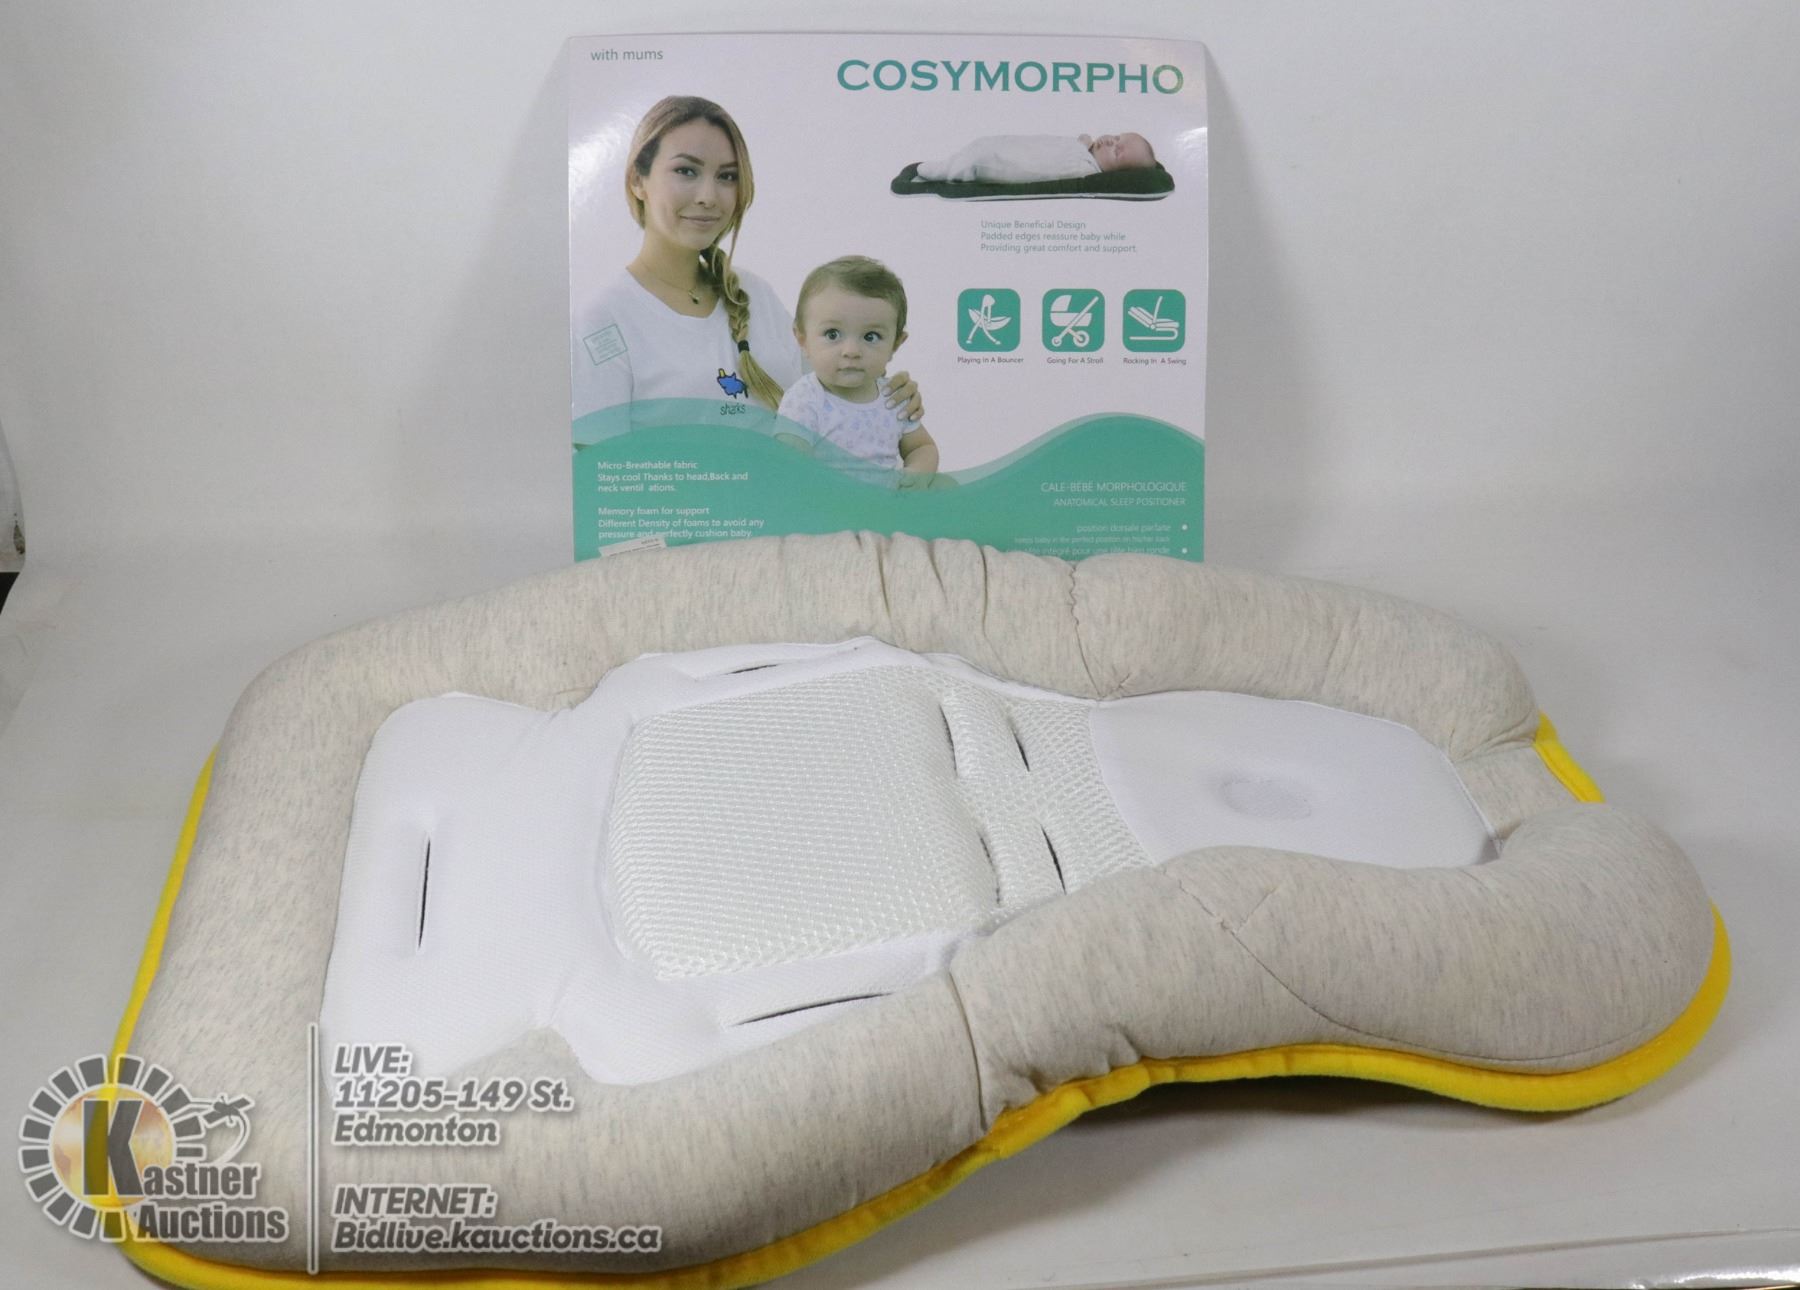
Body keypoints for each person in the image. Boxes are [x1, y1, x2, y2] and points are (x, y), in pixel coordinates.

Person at [573, 96, 922, 426]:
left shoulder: (756, 296)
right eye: (686, 171)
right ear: (638, 180)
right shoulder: (605, 322)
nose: (709, 197)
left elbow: (832, 403)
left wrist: (886, 396)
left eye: (727, 176)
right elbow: (601, 463)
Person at [776, 257, 938, 487]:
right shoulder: (804, 399)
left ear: (895, 344)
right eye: (832, 334)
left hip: (886, 504)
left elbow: (922, 447)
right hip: (827, 505)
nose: (851, 351)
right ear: (802, 339)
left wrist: (916, 474)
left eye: (871, 337)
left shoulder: (894, 396)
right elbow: (789, 467)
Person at [916, 132, 1156, 184]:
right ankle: (953, 163)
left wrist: (1081, 146)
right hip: (1017, 147)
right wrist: (1084, 143)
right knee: (987, 143)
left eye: (1117, 151)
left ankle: (949, 170)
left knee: (986, 157)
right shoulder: (1086, 152)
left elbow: (1047, 165)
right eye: (1117, 137)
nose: (1111, 142)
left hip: (1005, 162)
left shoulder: (1085, 168)